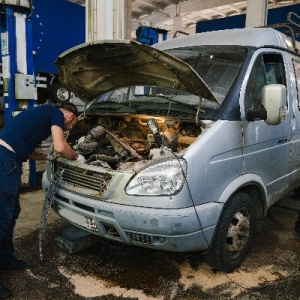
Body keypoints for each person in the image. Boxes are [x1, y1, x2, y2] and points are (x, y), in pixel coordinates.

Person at [0, 103, 85, 299]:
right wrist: (77, 157)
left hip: (9, 158)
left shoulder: (41, 114)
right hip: (5, 161)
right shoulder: (55, 113)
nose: (69, 128)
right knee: (2, 217)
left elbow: (25, 150)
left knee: (11, 214)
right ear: (70, 115)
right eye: (72, 124)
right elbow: (60, 146)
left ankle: (5, 260)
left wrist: (47, 157)